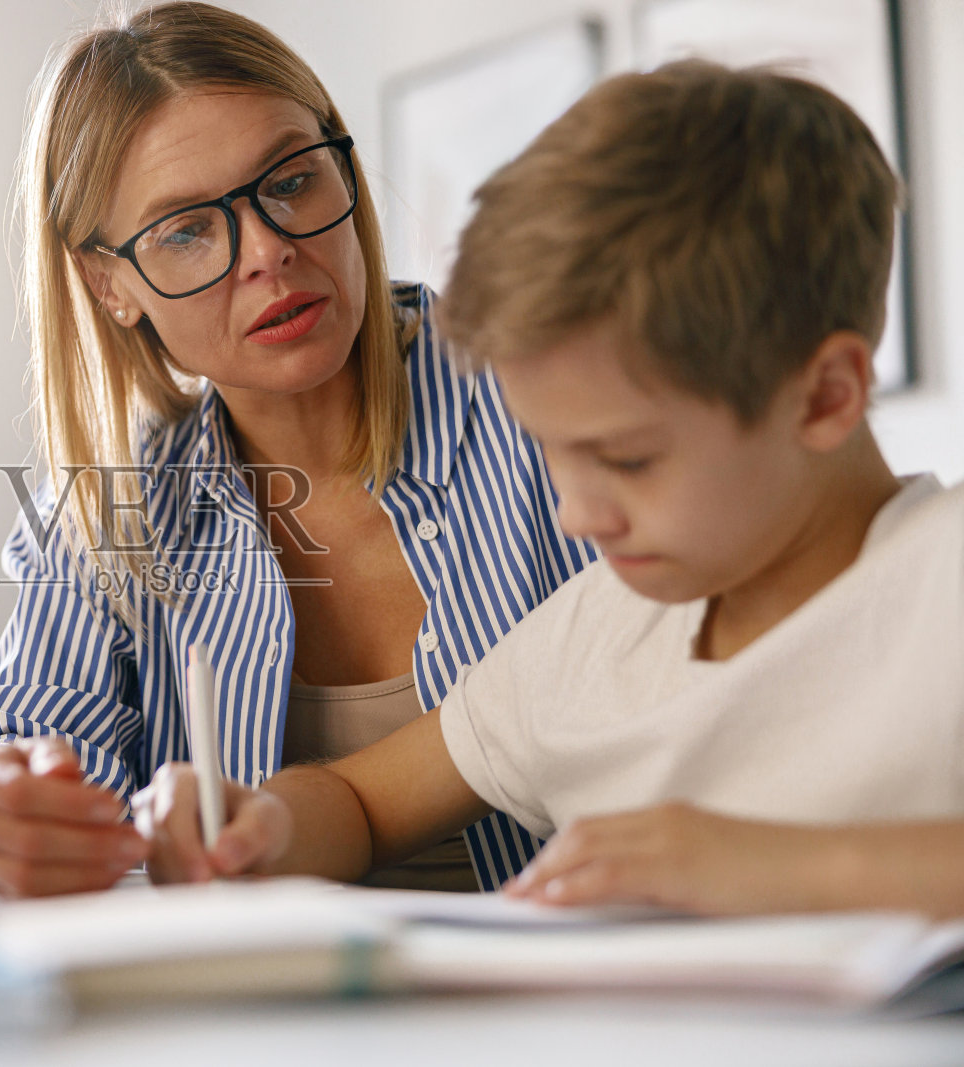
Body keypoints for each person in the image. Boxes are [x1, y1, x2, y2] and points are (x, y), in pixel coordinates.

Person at [137, 60, 964, 918]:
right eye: (554, 453)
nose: (575, 512)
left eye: (629, 458)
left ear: (827, 395)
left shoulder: (941, 575)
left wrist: (773, 866)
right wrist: (262, 824)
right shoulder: (592, 635)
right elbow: (360, 804)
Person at [0, 2, 593, 897]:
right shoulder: (114, 512)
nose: (269, 250)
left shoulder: (555, 400)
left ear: (344, 165)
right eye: (186, 229)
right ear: (110, 285)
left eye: (292, 180)